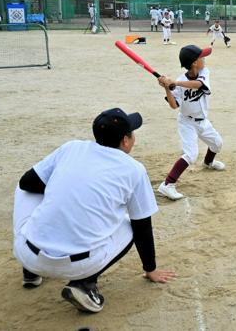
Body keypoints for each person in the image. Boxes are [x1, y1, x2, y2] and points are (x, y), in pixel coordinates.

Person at [12, 108, 176, 313]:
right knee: (130, 222)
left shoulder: (72, 147)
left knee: (25, 189)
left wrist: (65, 189)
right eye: (132, 133)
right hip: (79, 265)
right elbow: (142, 226)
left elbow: (28, 183)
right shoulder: (134, 169)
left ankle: (31, 271)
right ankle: (84, 284)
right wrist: (150, 269)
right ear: (125, 141)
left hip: (26, 253)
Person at [157, 45, 225, 200]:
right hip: (187, 122)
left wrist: (174, 82)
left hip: (202, 121)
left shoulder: (203, 72)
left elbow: (198, 85)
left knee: (217, 143)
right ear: (194, 62)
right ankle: (167, 185)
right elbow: (174, 106)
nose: (204, 59)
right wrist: (167, 88)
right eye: (202, 57)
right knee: (191, 154)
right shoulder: (179, 81)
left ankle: (208, 162)